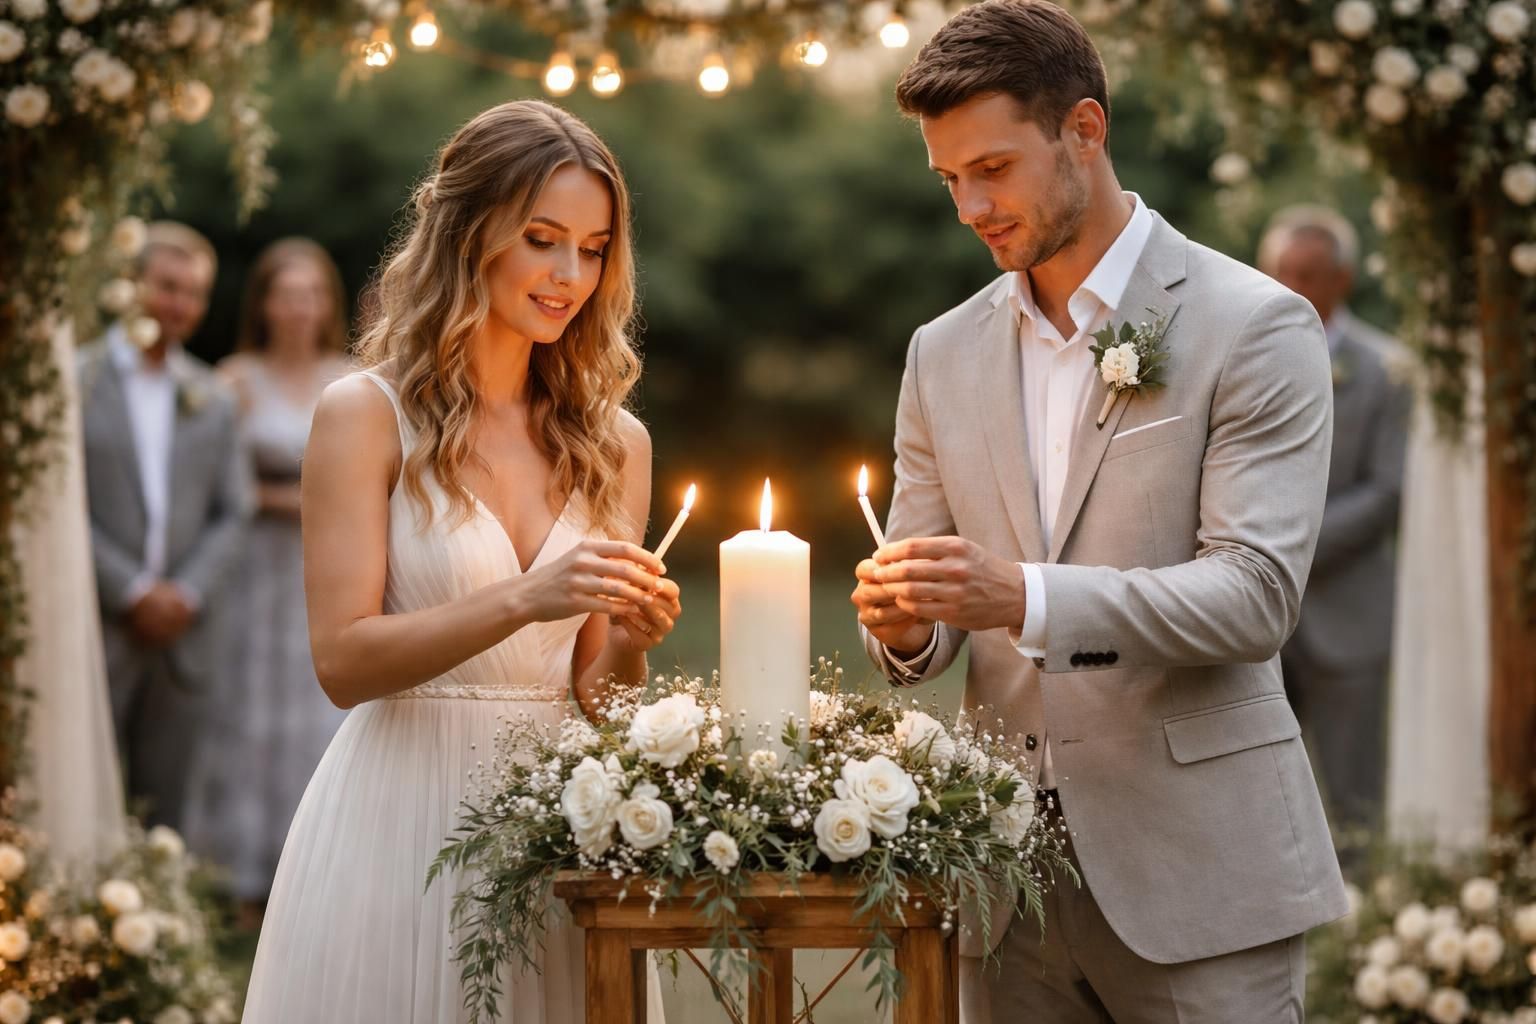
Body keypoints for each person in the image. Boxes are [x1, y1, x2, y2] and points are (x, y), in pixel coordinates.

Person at [850, 3, 1346, 1020]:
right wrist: (907, 625)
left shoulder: (1254, 325)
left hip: (1200, 872)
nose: (968, 208)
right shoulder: (937, 354)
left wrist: (1021, 595)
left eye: (992, 169)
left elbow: (1254, 596)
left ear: (1085, 129)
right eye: (949, 179)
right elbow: (934, 612)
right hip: (1003, 890)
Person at [241, 100, 680, 1024]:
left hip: (561, 827)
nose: (569, 275)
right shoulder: (364, 415)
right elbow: (343, 662)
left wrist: (634, 643)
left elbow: (603, 697)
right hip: (399, 819)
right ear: (467, 234)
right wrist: (524, 597)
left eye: (594, 248)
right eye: (542, 238)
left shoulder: (617, 444)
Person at [183, 238, 352, 929]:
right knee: (245, 705)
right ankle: (240, 874)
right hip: (255, 565)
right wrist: (296, 503)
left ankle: (315, 864)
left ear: (327, 303)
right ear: (263, 303)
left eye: (311, 292)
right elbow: (215, 487)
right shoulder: (233, 381)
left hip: (328, 563)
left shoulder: (349, 378)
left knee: (319, 706)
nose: (299, 306)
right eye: (286, 292)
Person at [78, 220, 253, 833]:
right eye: (167, 286)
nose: (180, 304)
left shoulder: (212, 395)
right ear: (132, 285)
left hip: (185, 631)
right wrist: (130, 589)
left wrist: (183, 593)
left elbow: (237, 508)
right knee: (79, 803)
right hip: (93, 623)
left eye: (194, 292)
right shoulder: (74, 381)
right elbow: (57, 510)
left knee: (166, 813)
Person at [1258, 205, 1411, 845]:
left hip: (1349, 611)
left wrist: (1280, 548)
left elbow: (1386, 493)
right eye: (1282, 272)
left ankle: (1366, 930)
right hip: (1256, 622)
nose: (1295, 287)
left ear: (1342, 280)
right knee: (1258, 792)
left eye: (1311, 274)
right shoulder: (1240, 359)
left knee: (1355, 801)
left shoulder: (1388, 370)